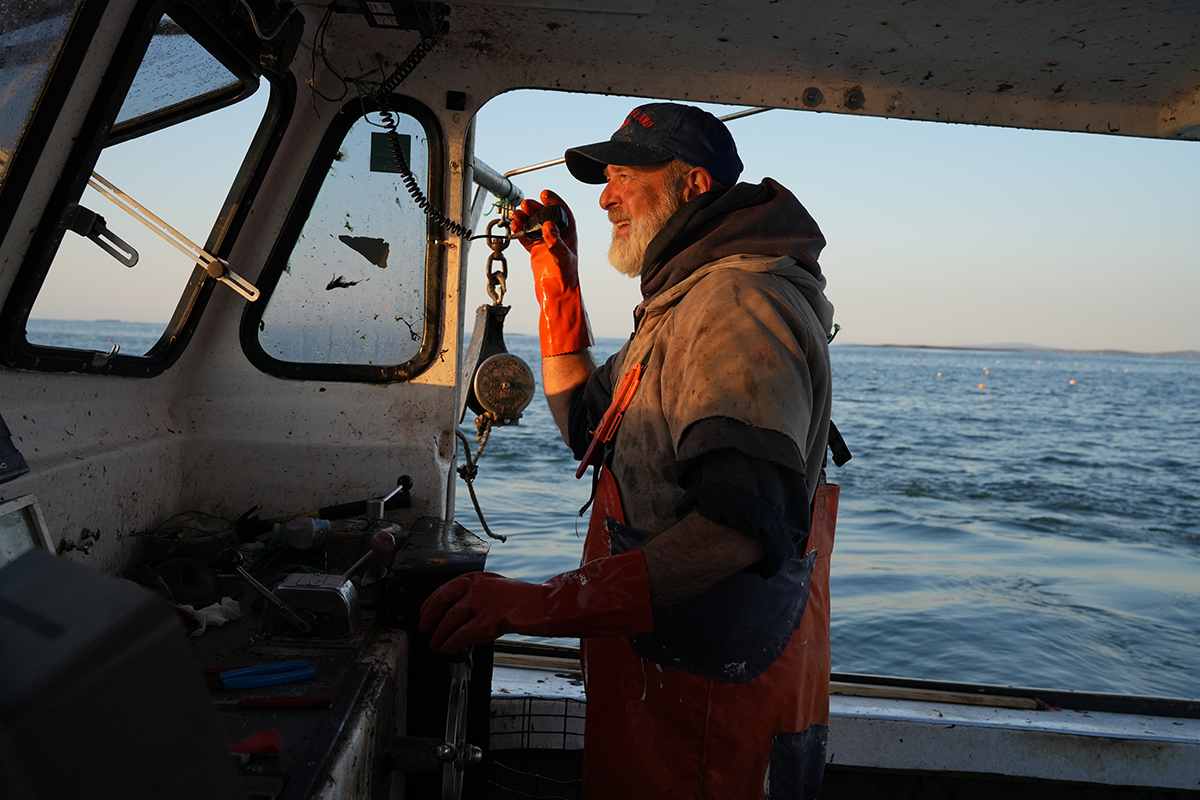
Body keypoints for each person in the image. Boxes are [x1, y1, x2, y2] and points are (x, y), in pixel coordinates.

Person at [421, 103, 839, 799]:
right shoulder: (686, 303)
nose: (605, 196)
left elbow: (739, 529)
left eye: (623, 177)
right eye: (604, 179)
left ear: (694, 185)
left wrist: (539, 603)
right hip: (665, 679)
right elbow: (589, 425)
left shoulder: (737, 306)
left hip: (710, 710)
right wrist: (559, 278)